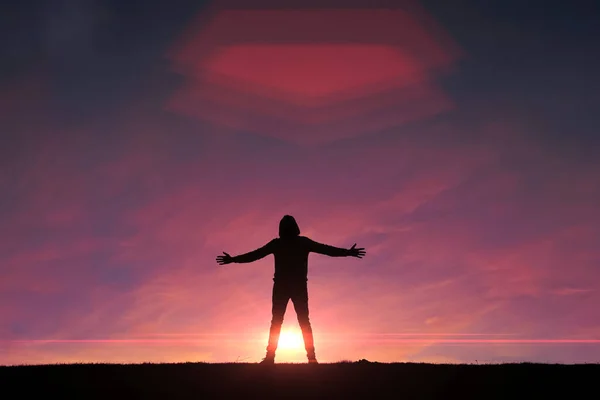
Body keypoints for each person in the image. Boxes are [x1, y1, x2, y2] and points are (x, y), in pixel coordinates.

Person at [216, 215, 366, 364]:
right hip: (291, 286)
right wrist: (347, 252)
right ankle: (303, 358)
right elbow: (326, 250)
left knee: (283, 322)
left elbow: (255, 254)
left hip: (289, 286)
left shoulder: (284, 243)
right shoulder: (295, 243)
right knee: (297, 322)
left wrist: (234, 259)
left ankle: (286, 357)